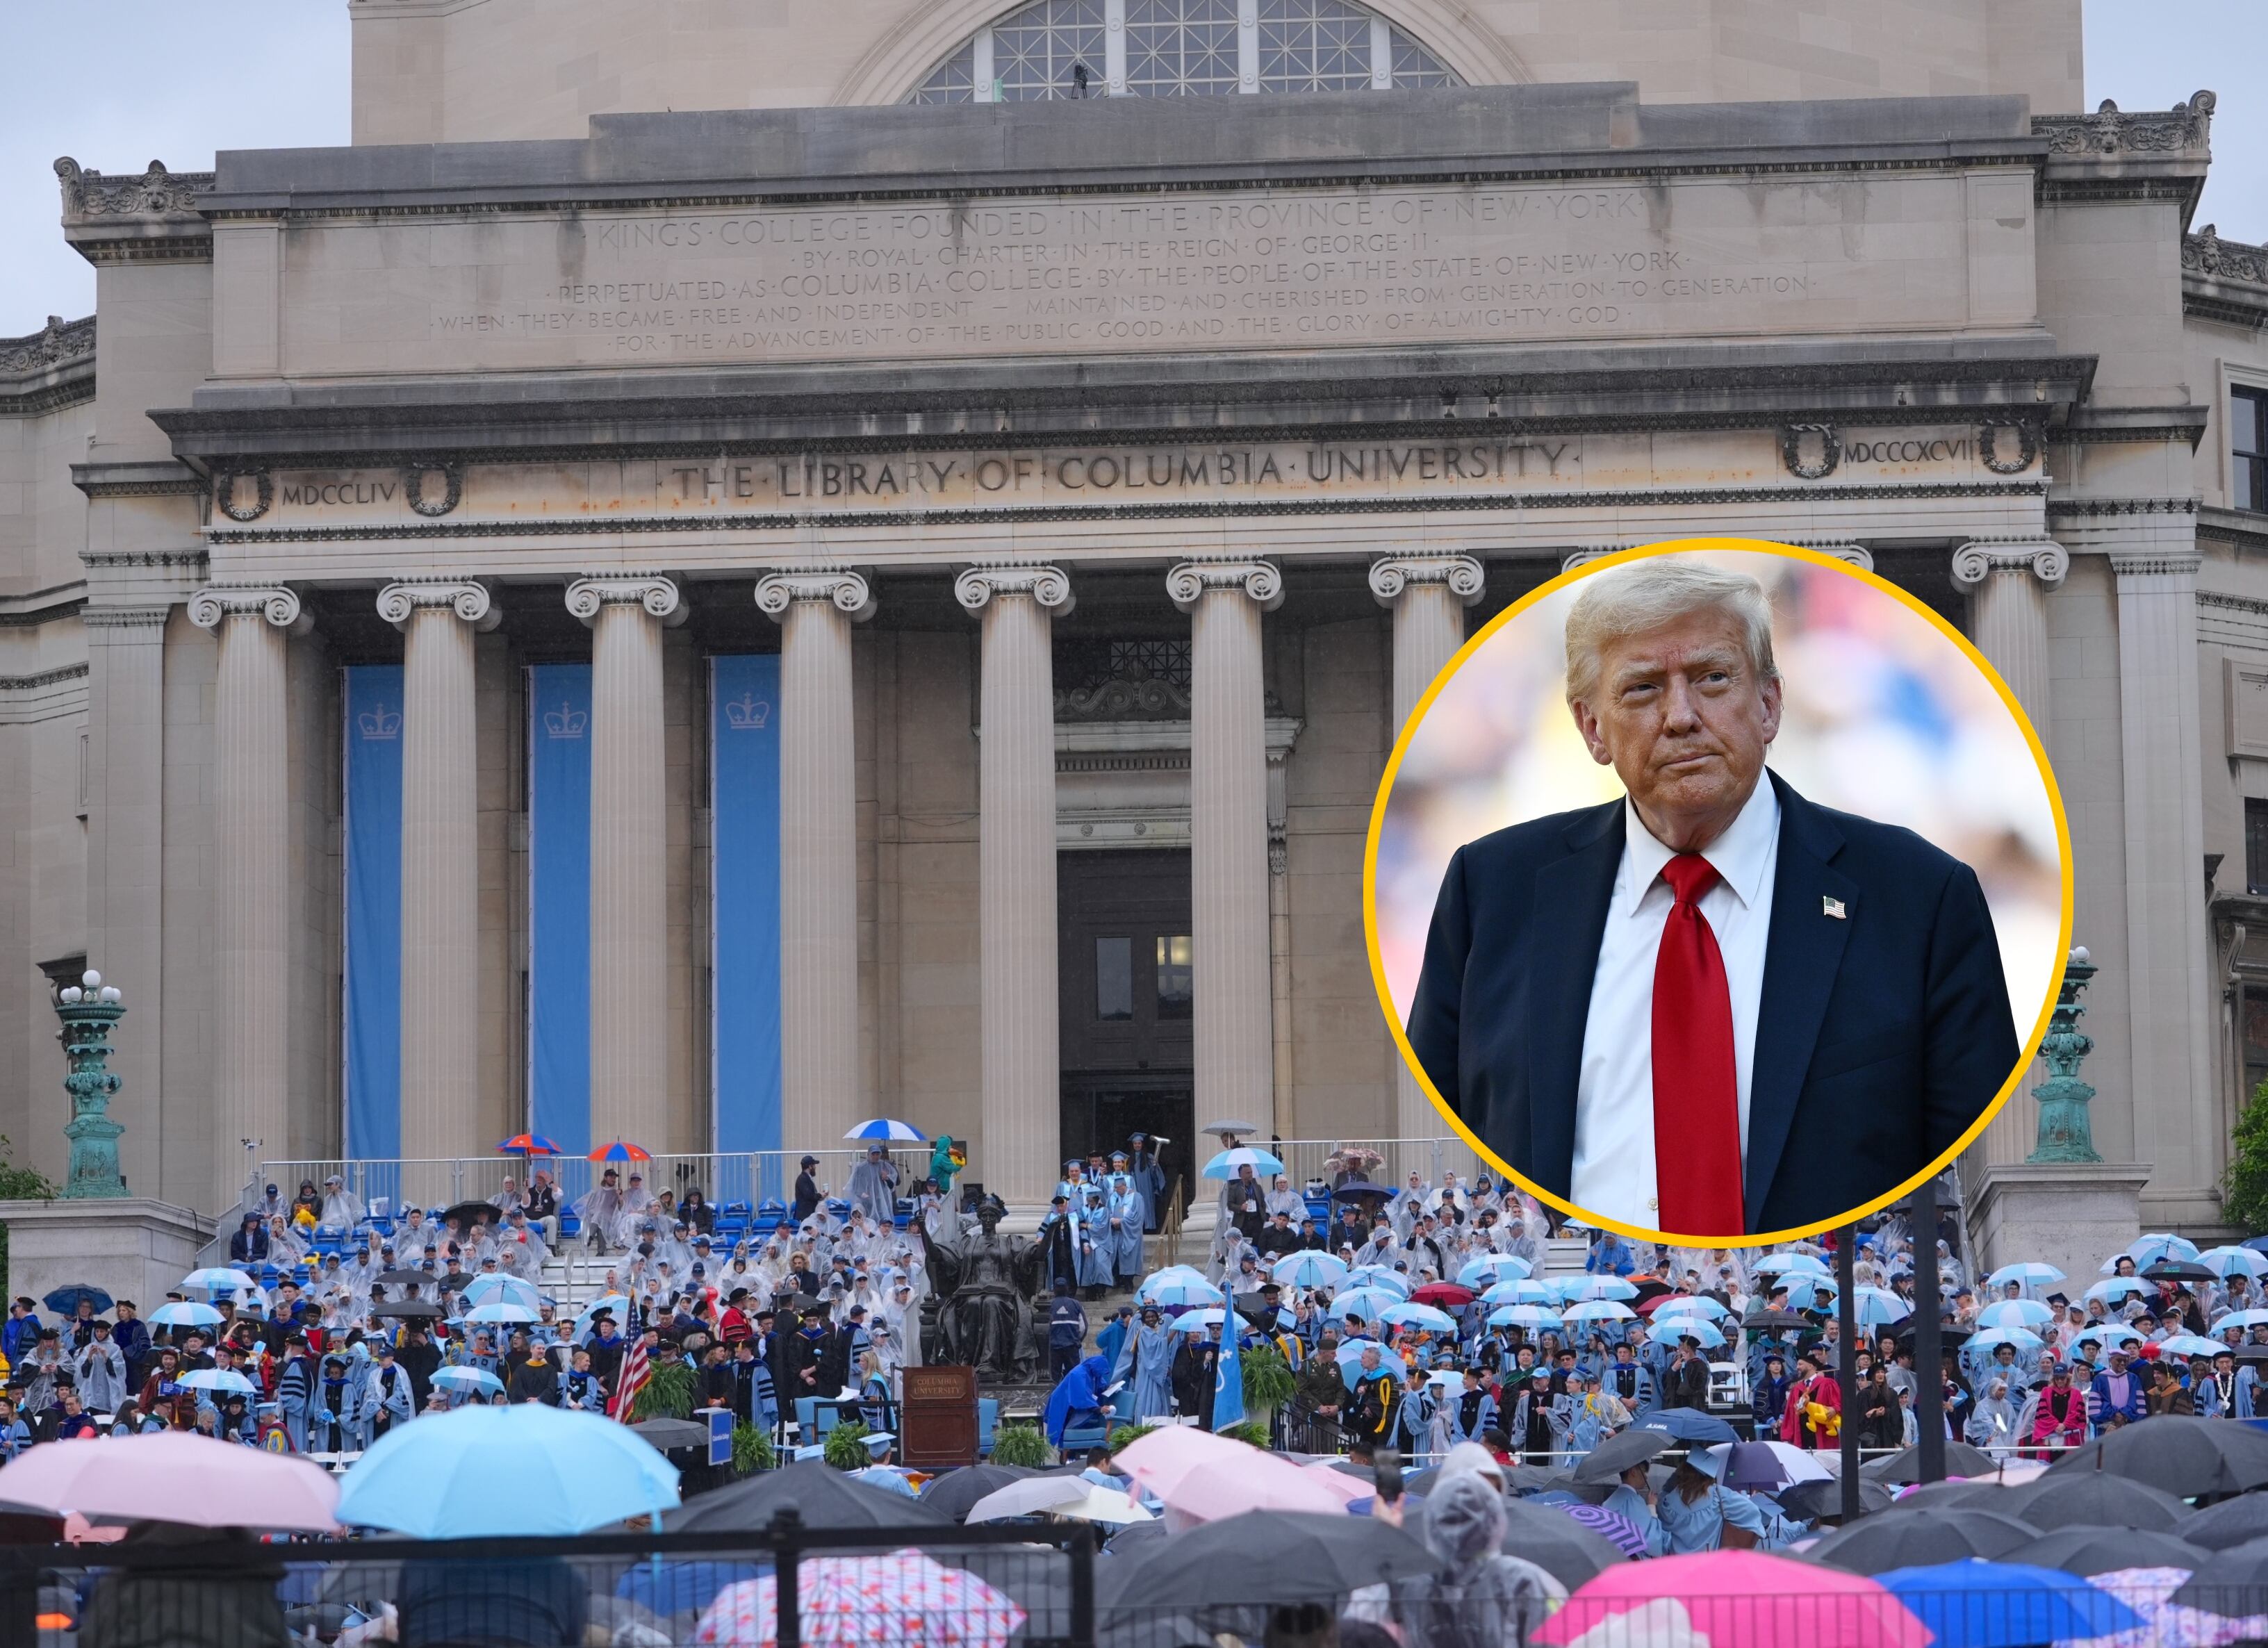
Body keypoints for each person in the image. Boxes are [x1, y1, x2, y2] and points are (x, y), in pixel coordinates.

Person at [1404, 557, 2019, 1235]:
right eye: (1640, 689)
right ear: (1591, 729)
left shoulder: (1921, 898)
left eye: (1712, 678)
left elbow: (1969, 1155)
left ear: (1770, 703)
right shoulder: (1490, 892)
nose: (1680, 716)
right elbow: (1444, 1126)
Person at [1349, 1471, 1563, 1648]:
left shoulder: (1408, 1579)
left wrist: (1384, 1540)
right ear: (1495, 1520)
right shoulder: (1521, 1578)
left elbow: (1361, 1624)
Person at [847, 1145, 900, 1226]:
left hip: (882, 1201)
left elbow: (892, 1186)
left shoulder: (885, 1166)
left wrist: (887, 1178)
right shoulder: (861, 1168)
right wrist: (862, 1194)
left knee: (883, 1223)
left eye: (878, 1154)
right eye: (873, 1154)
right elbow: (854, 1186)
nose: (876, 1156)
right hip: (866, 1202)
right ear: (868, 1154)